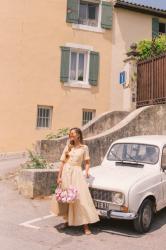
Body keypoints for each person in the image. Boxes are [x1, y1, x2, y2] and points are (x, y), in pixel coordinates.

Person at [51, 127, 99, 235]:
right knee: (67, 197)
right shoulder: (68, 146)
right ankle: (68, 221)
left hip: (77, 173)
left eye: (72, 134)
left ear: (78, 135)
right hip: (66, 173)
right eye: (69, 134)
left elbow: (87, 162)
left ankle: (85, 225)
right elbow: (63, 162)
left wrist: (86, 172)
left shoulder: (84, 148)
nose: (70, 136)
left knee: (80, 198)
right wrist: (59, 177)